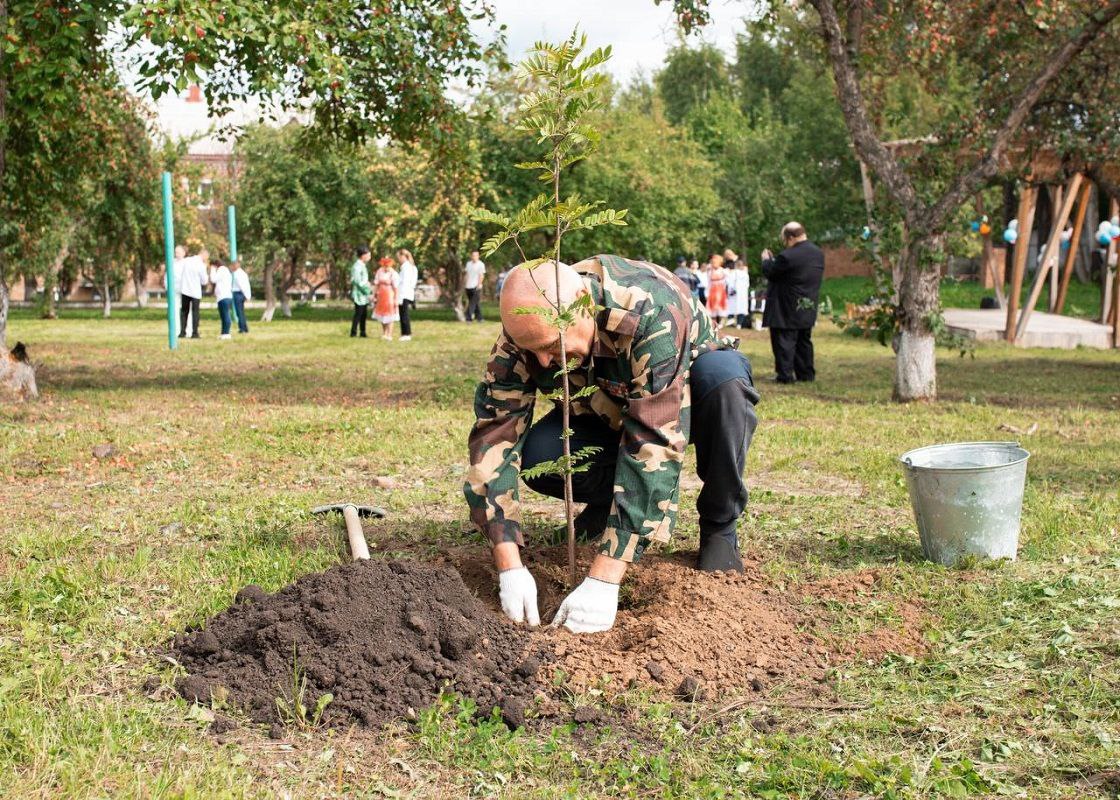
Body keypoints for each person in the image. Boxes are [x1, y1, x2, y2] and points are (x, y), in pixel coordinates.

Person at [465, 256, 760, 633]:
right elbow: (495, 434)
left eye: (548, 345)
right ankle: (607, 506)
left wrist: (604, 580)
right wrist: (508, 563)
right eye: (530, 348)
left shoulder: (649, 309)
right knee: (543, 455)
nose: (541, 360)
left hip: (686, 399)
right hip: (606, 413)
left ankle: (720, 524)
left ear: (582, 308)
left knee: (724, 385)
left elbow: (655, 440)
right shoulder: (526, 328)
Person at [761, 222, 825, 383]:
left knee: (784, 342)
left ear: (790, 237)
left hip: (786, 307)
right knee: (804, 341)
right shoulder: (818, 253)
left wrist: (766, 260)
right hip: (807, 304)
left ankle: (785, 375)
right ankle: (806, 374)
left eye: (785, 240)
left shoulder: (787, 256)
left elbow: (771, 273)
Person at [178, 247, 209, 339]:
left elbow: (180, 272)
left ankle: (182, 332)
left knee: (184, 312)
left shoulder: (187, 261)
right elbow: (204, 281)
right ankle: (194, 333)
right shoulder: (201, 265)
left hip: (185, 289)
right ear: (204, 255)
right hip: (195, 291)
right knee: (195, 312)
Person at [372, 256, 400, 340]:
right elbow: (376, 284)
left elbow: (396, 288)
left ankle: (389, 334)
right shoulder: (379, 272)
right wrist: (374, 295)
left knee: (390, 315)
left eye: (387, 266)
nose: (386, 267)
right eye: (384, 265)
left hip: (389, 295)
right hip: (381, 294)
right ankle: (384, 333)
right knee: (382, 315)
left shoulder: (393, 273)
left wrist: (396, 299)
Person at [350, 247, 372, 338]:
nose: (370, 257)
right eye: (368, 255)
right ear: (363, 255)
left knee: (364, 314)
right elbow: (358, 281)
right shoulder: (357, 266)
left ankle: (363, 331)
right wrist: (368, 291)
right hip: (359, 293)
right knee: (358, 313)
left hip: (363, 294)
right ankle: (353, 332)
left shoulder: (362, 265)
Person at [397, 248, 418, 342]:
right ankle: (404, 332)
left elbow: (404, 282)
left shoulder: (406, 267)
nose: (398, 259)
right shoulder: (412, 267)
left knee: (404, 314)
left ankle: (406, 333)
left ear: (403, 256)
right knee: (403, 314)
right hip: (407, 293)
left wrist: (399, 294)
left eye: (399, 257)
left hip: (404, 293)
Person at [210, 259, 234, 340]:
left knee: (225, 315)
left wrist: (212, 269)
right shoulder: (226, 271)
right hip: (225, 296)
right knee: (224, 316)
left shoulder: (221, 270)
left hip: (223, 296)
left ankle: (226, 333)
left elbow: (213, 279)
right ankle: (224, 333)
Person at [706, 254, 728, 327]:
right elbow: (708, 282)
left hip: (720, 291)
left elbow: (726, 281)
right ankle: (714, 323)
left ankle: (721, 322)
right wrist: (707, 292)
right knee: (712, 307)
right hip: (712, 290)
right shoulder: (710, 271)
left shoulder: (723, 271)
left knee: (720, 306)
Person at [464, 250, 486, 322]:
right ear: (471, 256)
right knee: (474, 302)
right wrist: (465, 284)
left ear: (478, 256)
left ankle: (468, 318)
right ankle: (480, 318)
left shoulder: (481, 264)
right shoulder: (468, 264)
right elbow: (467, 275)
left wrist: (479, 284)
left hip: (476, 287)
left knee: (472, 303)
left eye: (476, 255)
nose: (474, 257)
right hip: (468, 286)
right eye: (473, 255)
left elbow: (481, 276)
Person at [729, 258, 751, 328]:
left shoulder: (734, 273)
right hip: (743, 294)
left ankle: (732, 322)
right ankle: (739, 324)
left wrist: (731, 291)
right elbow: (747, 285)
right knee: (741, 309)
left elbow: (730, 283)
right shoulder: (745, 274)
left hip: (736, 293)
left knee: (733, 308)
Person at [231, 260, 251, 334]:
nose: (231, 267)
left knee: (239, 312)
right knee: (241, 312)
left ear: (236, 265)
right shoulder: (242, 273)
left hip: (238, 293)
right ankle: (244, 327)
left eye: (232, 265)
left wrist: (246, 295)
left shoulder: (237, 274)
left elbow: (242, 285)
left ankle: (242, 328)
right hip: (241, 293)